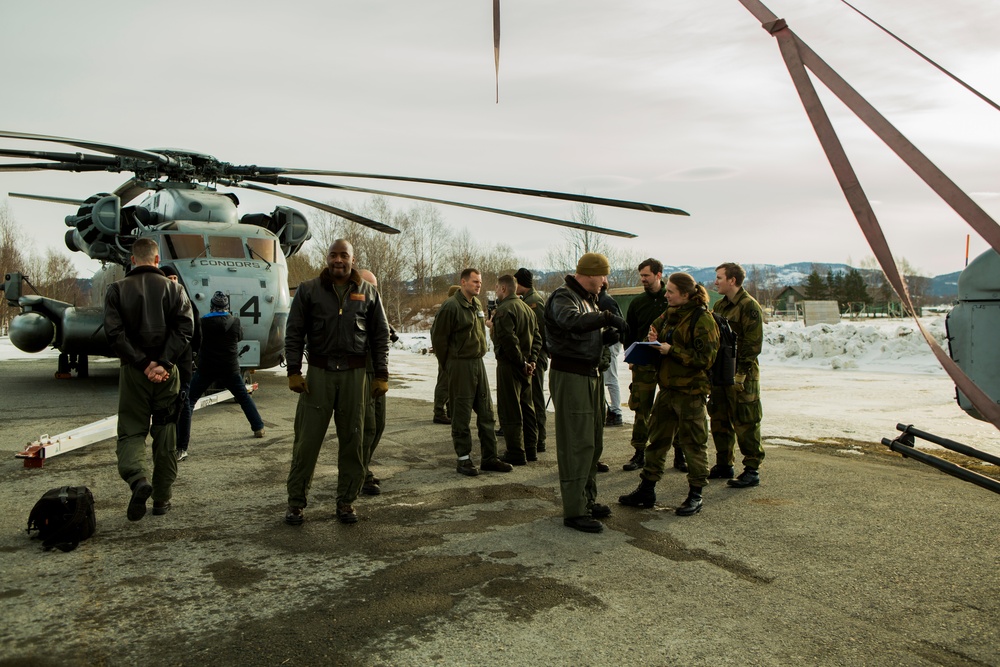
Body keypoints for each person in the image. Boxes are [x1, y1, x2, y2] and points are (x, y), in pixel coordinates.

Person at [283, 240, 390, 526]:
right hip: (319, 374)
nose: (338, 260)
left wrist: (381, 375)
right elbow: (294, 332)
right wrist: (294, 370)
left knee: (354, 441)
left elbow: (380, 337)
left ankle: (346, 502)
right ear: (327, 258)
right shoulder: (308, 290)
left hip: (355, 377)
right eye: (334, 255)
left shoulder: (369, 293)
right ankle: (296, 502)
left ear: (353, 259)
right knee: (307, 441)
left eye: (344, 255)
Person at [103, 237, 194, 521]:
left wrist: (142, 364)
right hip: (168, 374)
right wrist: (164, 362)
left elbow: (114, 334)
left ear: (132, 260)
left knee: (131, 431)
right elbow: (185, 328)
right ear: (157, 260)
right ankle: (162, 500)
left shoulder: (116, 290)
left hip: (133, 372)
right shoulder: (175, 289)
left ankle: (138, 480)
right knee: (166, 433)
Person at [619, 272, 719, 516]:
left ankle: (696, 494)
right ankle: (647, 489)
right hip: (667, 390)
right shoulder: (668, 316)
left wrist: (671, 350)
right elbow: (652, 335)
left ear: (685, 294)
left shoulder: (703, 320)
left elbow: (705, 360)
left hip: (691, 393)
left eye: (671, 291)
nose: (666, 295)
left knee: (694, 445)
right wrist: (653, 341)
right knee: (657, 441)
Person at [544, 252, 627, 533]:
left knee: (592, 441)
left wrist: (605, 337)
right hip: (571, 376)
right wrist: (606, 318)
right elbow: (571, 323)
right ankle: (574, 510)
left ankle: (587, 499)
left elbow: (581, 335)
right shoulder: (564, 297)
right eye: (602, 276)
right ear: (590, 274)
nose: (605, 282)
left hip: (589, 375)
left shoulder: (588, 300)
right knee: (576, 443)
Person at [430, 269, 513, 477]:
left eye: (480, 282)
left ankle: (489, 457)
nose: (479, 285)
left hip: (478, 362)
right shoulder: (451, 307)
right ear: (463, 282)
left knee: (486, 412)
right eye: (475, 282)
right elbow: (439, 339)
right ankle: (464, 458)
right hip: (460, 365)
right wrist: (448, 365)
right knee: (461, 413)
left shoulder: (476, 304)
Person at [621, 258, 686, 473]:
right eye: (641, 276)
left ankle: (680, 453)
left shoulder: (672, 298)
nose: (643, 280)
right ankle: (639, 451)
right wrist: (631, 356)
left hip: (670, 362)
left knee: (675, 410)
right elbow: (629, 333)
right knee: (641, 408)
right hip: (644, 363)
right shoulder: (638, 303)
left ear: (658, 275)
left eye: (646, 275)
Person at [184, 291, 266, 450]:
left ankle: (180, 436)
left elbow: (196, 341)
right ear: (227, 307)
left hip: (207, 368)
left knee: (190, 400)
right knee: (243, 397)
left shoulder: (202, 322)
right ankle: (259, 427)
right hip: (230, 367)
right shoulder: (235, 321)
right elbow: (239, 337)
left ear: (211, 306)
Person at [709, 262, 765, 488]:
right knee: (719, 417)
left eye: (720, 278)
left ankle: (752, 468)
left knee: (746, 419)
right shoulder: (720, 306)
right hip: (722, 370)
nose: (716, 282)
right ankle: (724, 463)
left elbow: (753, 343)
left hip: (743, 372)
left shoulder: (749, 306)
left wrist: (741, 373)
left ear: (732, 280)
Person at [489, 274, 541, 465]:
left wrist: (522, 363)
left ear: (503, 289)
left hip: (510, 365)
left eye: (496, 288)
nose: (496, 291)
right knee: (527, 408)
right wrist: (531, 361)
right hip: (525, 365)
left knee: (510, 409)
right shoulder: (527, 309)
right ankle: (531, 448)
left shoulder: (504, 309)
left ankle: (516, 451)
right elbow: (537, 338)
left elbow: (508, 341)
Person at [357, 268, 399, 496]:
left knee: (378, 424)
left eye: (375, 287)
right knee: (365, 426)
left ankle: (363, 466)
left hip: (377, 372)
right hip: (360, 372)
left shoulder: (375, 309)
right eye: (369, 286)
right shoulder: (352, 308)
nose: (372, 291)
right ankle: (359, 473)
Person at [161, 266, 201, 463]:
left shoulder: (189, 305)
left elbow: (197, 333)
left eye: (176, 277)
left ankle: (181, 447)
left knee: (183, 404)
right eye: (169, 278)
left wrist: (193, 354)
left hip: (182, 364)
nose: (173, 281)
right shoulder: (157, 305)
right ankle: (164, 445)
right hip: (162, 364)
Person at [513, 268, 549, 454]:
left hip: (537, 356)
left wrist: (537, 356)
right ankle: (533, 437)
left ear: (521, 283)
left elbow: (541, 331)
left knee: (535, 398)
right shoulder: (526, 301)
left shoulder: (534, 302)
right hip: (532, 356)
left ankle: (539, 439)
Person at [430, 284, 460, 425]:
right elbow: (438, 334)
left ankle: (449, 411)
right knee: (444, 383)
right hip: (447, 353)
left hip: (450, 352)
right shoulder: (447, 309)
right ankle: (439, 412)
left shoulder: (450, 308)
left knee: (450, 383)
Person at [598, 277, 624, 428]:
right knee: (607, 376)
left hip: (611, 342)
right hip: (610, 341)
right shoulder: (605, 299)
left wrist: (609, 336)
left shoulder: (605, 301)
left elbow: (618, 321)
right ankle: (614, 410)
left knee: (611, 377)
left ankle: (616, 411)